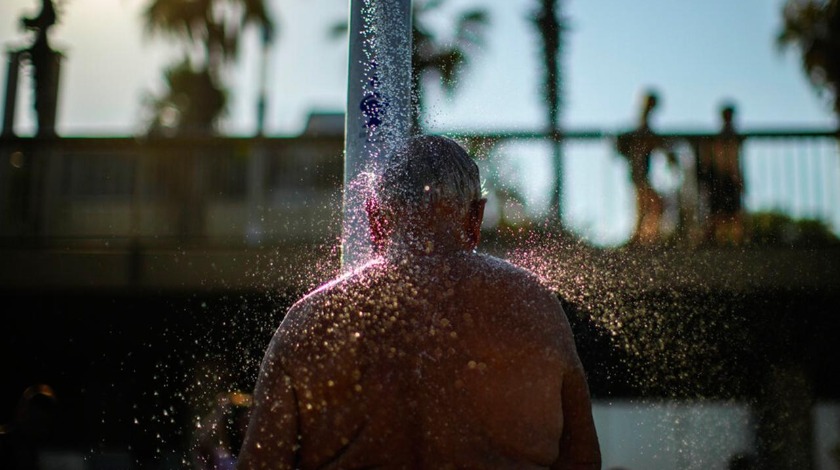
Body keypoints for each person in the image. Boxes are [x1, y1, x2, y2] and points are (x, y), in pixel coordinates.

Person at [237, 135, 601, 469]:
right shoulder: (535, 308)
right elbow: (583, 462)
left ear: (375, 221)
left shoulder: (310, 321)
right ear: (475, 218)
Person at [616, 89, 676, 245]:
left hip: (641, 173)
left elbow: (656, 142)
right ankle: (641, 238)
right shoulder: (641, 128)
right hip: (639, 173)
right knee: (649, 205)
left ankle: (642, 238)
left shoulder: (645, 127)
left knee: (647, 205)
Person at [699, 103, 745, 245]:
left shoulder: (727, 136)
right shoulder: (723, 137)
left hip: (726, 178)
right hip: (724, 178)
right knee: (723, 212)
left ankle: (729, 242)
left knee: (729, 213)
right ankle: (725, 241)